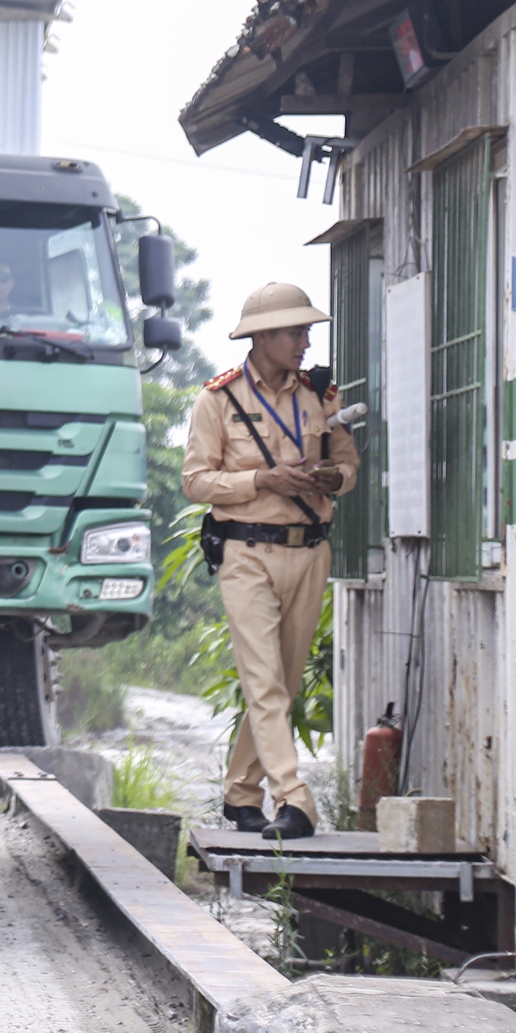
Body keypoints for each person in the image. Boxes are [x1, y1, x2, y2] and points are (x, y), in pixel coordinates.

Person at [182, 282, 360, 841]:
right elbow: (195, 481)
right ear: (261, 336)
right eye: (294, 331)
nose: (305, 341)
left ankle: (240, 794)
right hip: (246, 553)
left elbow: (348, 466)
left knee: (279, 681)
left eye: (307, 331)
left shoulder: (320, 397)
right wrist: (262, 478)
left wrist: (333, 476)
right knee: (264, 683)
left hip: (309, 550)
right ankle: (295, 798)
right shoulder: (219, 399)